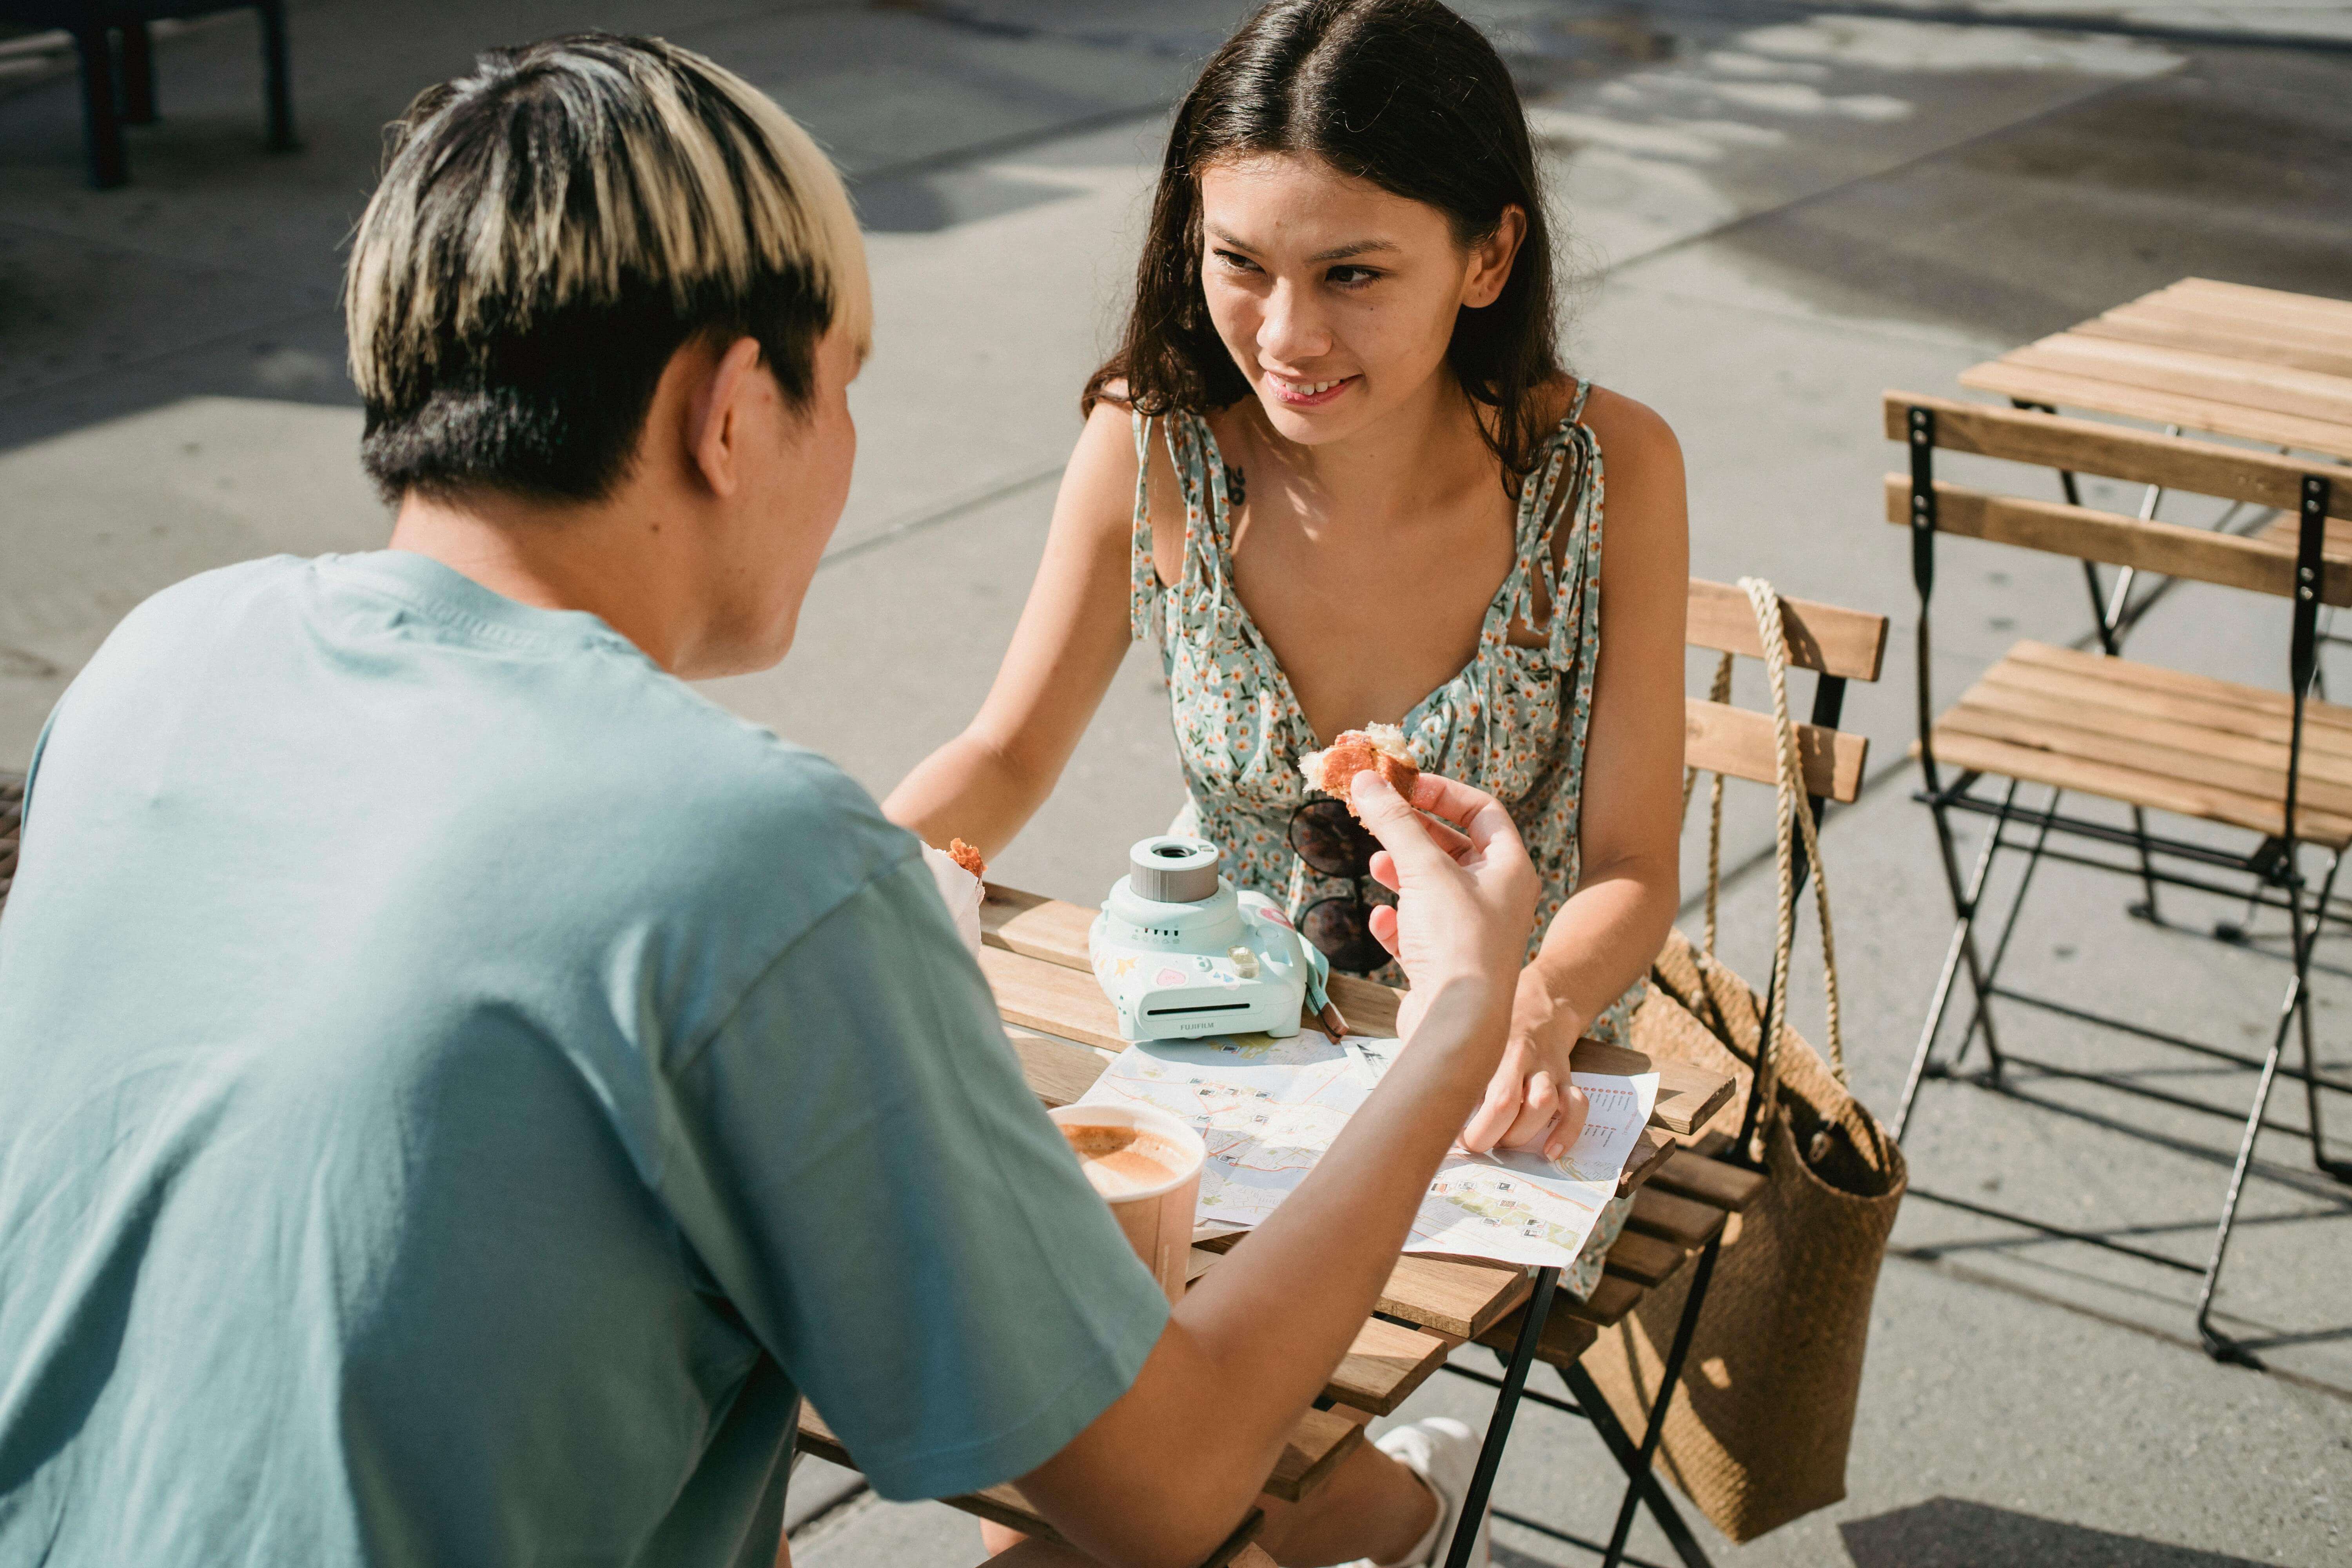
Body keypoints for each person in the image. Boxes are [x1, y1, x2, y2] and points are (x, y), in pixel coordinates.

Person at [0, 33, 1543, 1568]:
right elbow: (1172, 1479)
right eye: (845, 384)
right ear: (733, 408)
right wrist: (1463, 1009)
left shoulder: (160, 662)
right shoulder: (747, 852)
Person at [890, 0, 1685, 1316]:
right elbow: (1006, 750)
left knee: (1125, 1440)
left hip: (1499, 1088)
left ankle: (1390, 1490)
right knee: (1054, 1401)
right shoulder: (1150, 441)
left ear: (1489, 256)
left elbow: (1634, 869)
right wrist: (821, 908)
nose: (1286, 336)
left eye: (1353, 275)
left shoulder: (1609, 472)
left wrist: (1530, 1012)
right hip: (1220, 1048)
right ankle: (1396, 1497)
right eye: (1242, 262)